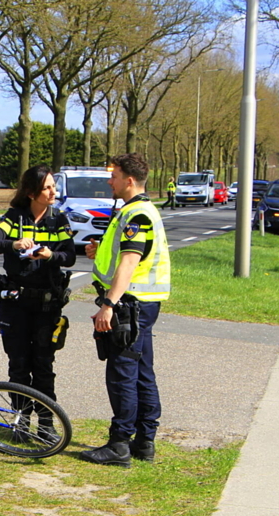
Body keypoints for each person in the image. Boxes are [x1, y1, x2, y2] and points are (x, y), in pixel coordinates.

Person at [79, 153, 170, 467]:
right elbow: (126, 256)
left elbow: (130, 262)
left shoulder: (137, 215)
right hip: (142, 304)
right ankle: (144, 442)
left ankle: (119, 445)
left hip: (130, 305)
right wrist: (98, 251)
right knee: (142, 373)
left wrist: (108, 304)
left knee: (122, 374)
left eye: (114, 176)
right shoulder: (137, 211)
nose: (110, 181)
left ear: (129, 180)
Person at [0, 165, 75, 426]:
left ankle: (46, 425)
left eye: (53, 187)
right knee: (19, 366)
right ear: (32, 192)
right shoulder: (15, 217)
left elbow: (68, 256)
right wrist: (13, 244)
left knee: (44, 366)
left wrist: (49, 255)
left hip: (47, 305)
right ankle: (21, 422)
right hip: (16, 305)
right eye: (47, 187)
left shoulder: (58, 219)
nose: (53, 191)